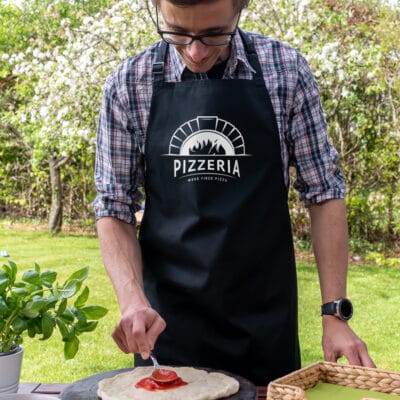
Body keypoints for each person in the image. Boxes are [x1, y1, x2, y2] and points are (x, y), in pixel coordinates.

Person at [94, 0, 375, 385]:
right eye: (177, 33)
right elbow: (114, 206)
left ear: (241, 7)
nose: (195, 51)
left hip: (263, 322)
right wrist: (131, 301)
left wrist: (334, 314)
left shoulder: (286, 72)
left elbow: (324, 192)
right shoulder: (129, 83)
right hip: (165, 327)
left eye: (213, 34)